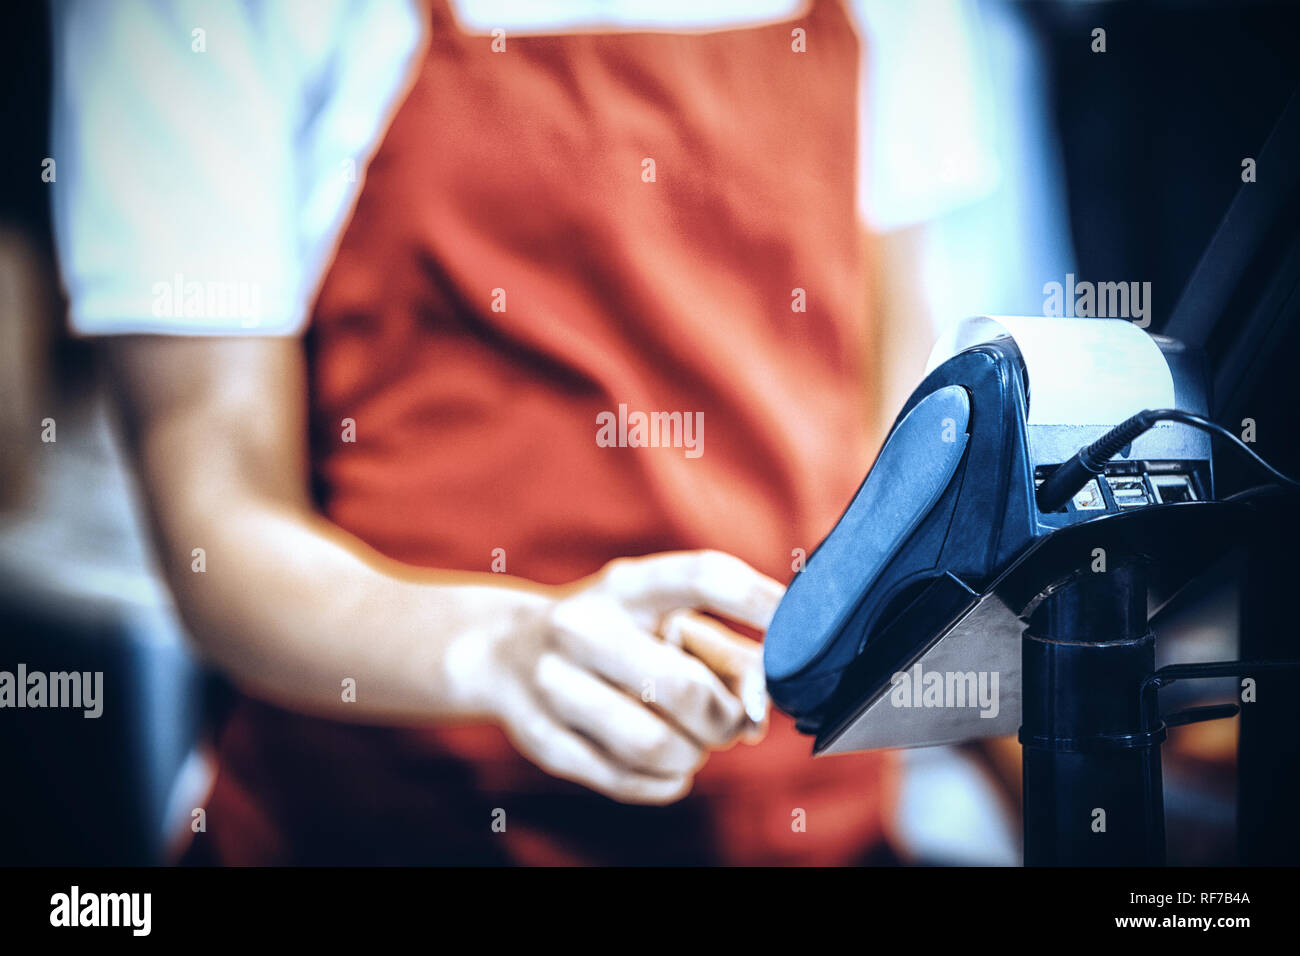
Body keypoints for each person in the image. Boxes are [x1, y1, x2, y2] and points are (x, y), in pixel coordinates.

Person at [50, 0, 1009, 864]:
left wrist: (1035, 735)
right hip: (385, 825)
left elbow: (888, 452)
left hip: (806, 826)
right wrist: (503, 647)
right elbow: (218, 528)